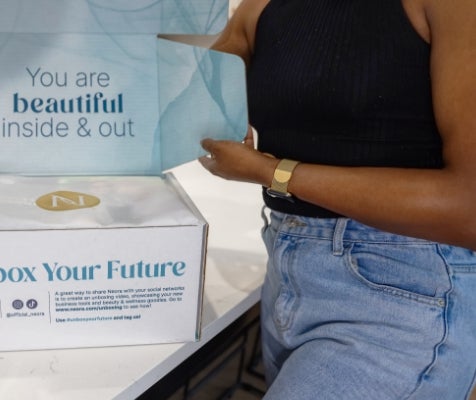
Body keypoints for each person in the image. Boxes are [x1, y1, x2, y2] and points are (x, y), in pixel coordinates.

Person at [198, 0, 476, 399]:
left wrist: (271, 172)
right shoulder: (262, 6)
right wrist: (215, 96)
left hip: (403, 294)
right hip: (286, 278)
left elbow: (469, 208)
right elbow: (202, 92)